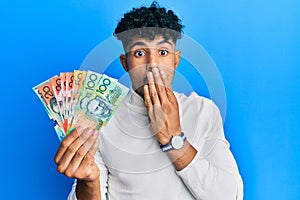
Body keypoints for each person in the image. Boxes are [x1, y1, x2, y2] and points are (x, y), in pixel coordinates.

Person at [54, 2, 243, 200]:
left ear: (175, 60)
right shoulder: (101, 118)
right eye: (140, 53)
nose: (152, 65)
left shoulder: (203, 110)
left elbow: (231, 196)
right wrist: (89, 182)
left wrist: (174, 139)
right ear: (125, 63)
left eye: (163, 52)